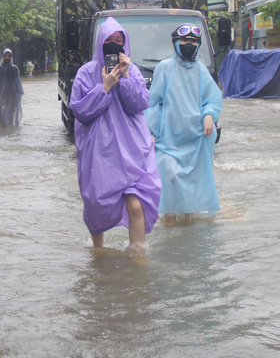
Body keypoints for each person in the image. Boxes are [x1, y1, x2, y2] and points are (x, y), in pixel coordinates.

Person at [69, 17, 161, 252]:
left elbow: (139, 104)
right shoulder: (85, 73)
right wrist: (105, 86)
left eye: (118, 41)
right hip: (99, 150)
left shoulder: (134, 71)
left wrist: (126, 78)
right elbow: (80, 112)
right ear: (100, 43)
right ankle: (97, 252)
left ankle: (137, 253)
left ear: (125, 44)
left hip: (131, 149)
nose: (113, 45)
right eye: (108, 41)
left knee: (136, 203)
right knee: (96, 204)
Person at [144, 23, 223, 225]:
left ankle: (188, 218)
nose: (189, 44)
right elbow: (153, 103)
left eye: (193, 41)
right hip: (168, 137)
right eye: (185, 41)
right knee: (169, 174)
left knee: (193, 180)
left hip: (196, 137)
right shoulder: (164, 68)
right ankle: (168, 216)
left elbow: (213, 98)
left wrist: (209, 115)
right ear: (176, 43)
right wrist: (151, 131)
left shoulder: (201, 71)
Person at [0, 48, 23, 126]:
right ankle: (3, 125)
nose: (7, 57)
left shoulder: (14, 68)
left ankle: (10, 127)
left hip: (11, 94)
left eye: (9, 56)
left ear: (11, 57)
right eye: (5, 55)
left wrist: (17, 94)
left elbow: (17, 82)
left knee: (11, 111)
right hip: (0, 93)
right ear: (3, 56)